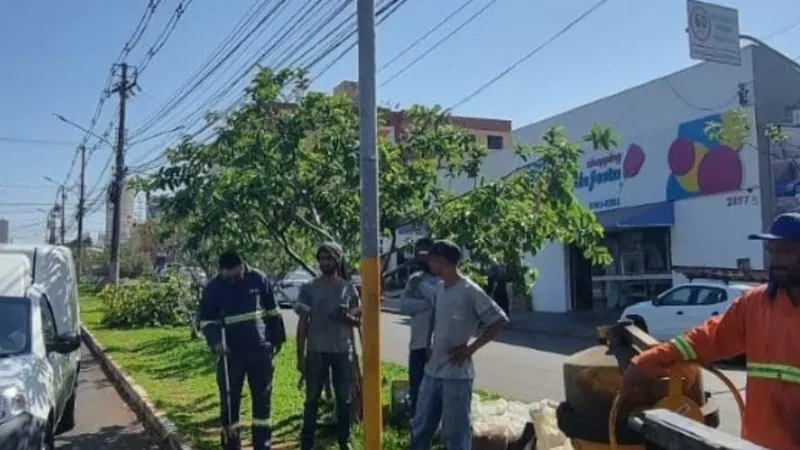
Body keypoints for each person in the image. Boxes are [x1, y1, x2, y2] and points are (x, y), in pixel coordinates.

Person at [621, 212, 800, 450]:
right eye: (772, 250)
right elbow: (707, 339)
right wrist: (647, 361)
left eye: (786, 250)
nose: (776, 259)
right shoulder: (755, 304)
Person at [411, 240, 509, 450]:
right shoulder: (439, 288)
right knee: (421, 426)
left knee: (455, 434)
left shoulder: (469, 290)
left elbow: (499, 320)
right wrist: (428, 342)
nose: (429, 263)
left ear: (445, 261)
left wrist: (470, 349)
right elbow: (435, 317)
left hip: (456, 375)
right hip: (432, 371)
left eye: (432, 259)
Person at [198, 251, 286, 450]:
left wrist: (275, 341)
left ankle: (262, 444)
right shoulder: (213, 288)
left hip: (259, 352)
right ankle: (231, 444)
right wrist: (216, 343)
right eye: (228, 277)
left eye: (236, 276)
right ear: (221, 272)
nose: (232, 280)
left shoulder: (259, 279)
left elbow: (273, 312)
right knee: (230, 403)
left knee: (262, 401)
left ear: (242, 266)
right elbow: (206, 321)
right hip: (231, 356)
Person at [295, 242, 361, 450]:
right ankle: (307, 442)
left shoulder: (347, 288)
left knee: (344, 398)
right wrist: (300, 356)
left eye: (329, 258)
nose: (325, 262)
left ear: (337, 260)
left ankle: (344, 440)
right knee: (312, 399)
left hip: (342, 351)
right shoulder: (309, 288)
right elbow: (302, 324)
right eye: (322, 258)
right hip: (316, 351)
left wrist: (346, 317)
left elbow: (357, 321)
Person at [400, 237, 439, 416]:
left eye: (427, 254)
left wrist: (423, 290)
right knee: (416, 388)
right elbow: (404, 305)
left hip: (439, 346)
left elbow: (440, 301)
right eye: (419, 253)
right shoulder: (414, 279)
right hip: (417, 344)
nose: (422, 258)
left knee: (437, 392)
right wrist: (426, 304)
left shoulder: (444, 279)